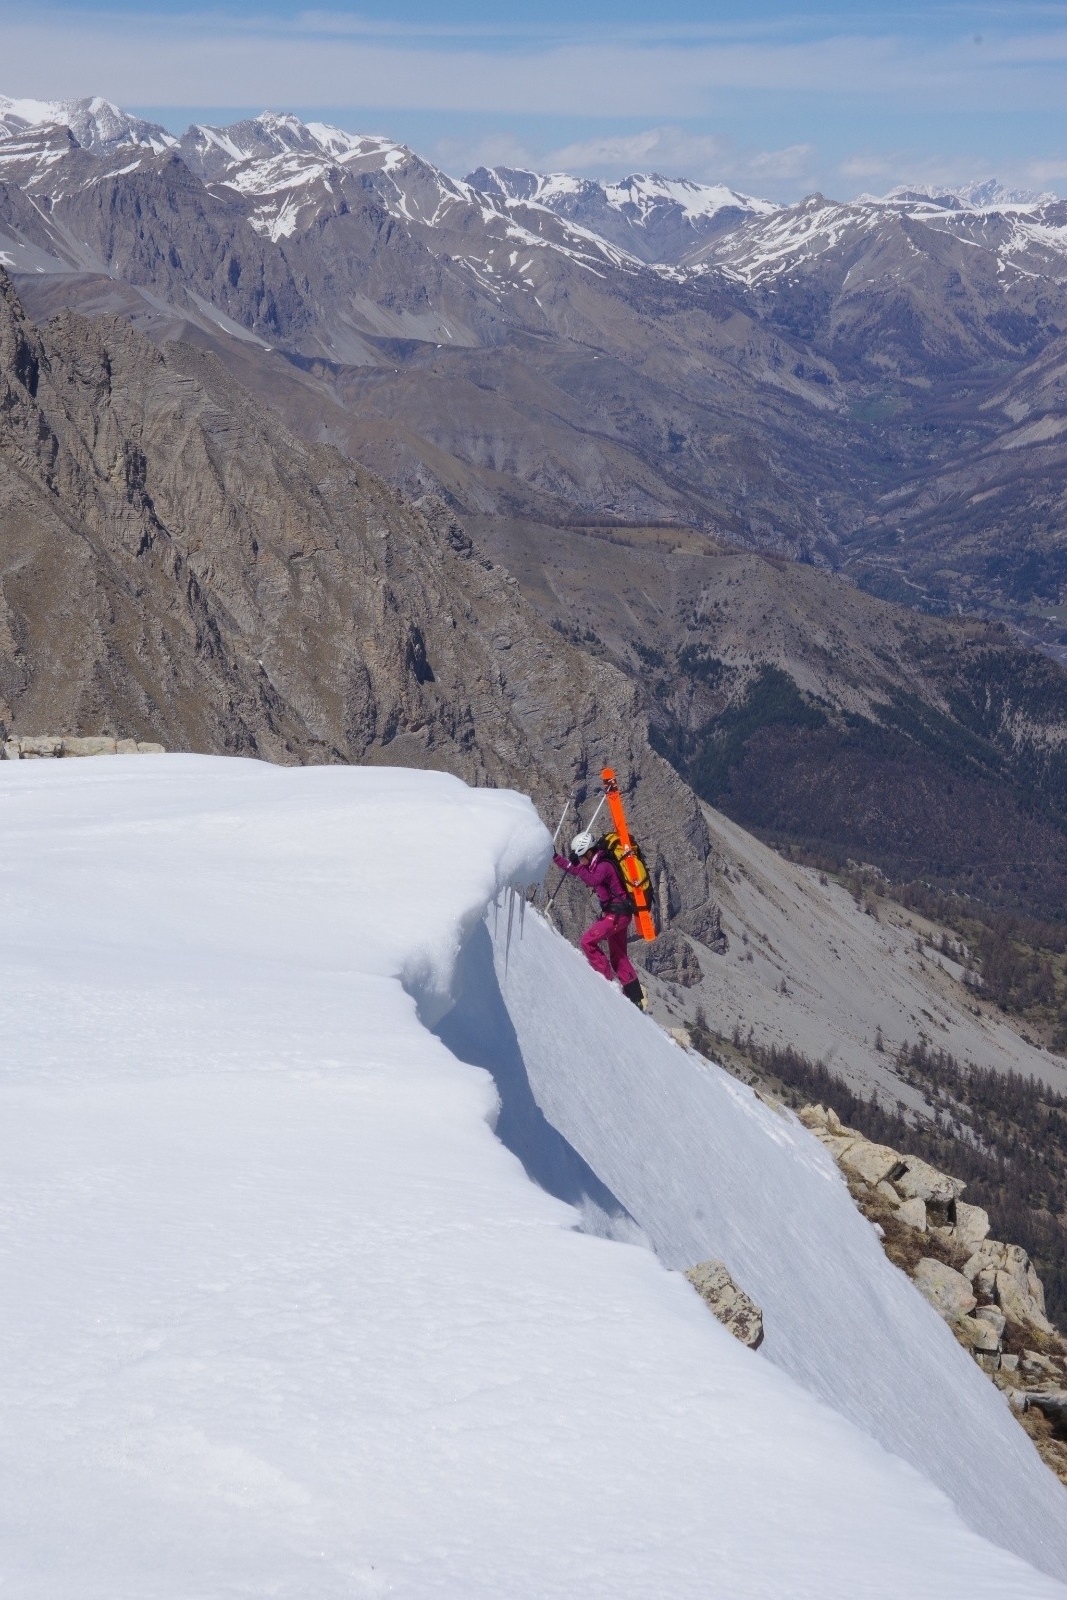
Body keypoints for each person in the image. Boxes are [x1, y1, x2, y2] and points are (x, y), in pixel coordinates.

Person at [552, 829, 647, 1009]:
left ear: (589, 852)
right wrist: (556, 857)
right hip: (620, 914)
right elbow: (577, 870)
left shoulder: (603, 866)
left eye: (580, 857)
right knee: (619, 955)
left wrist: (578, 866)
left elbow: (592, 880)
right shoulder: (595, 863)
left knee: (587, 942)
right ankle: (635, 997)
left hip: (616, 916)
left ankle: (605, 984)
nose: (580, 861)